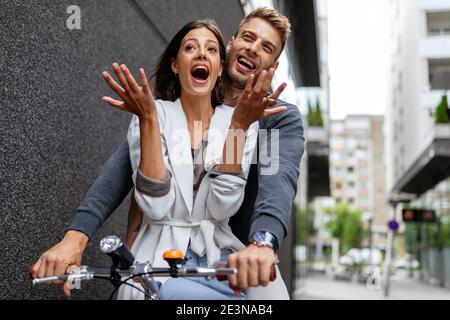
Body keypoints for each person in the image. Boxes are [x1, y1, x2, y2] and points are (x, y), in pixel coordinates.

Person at [31, 7, 304, 299]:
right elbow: (122, 170)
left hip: (236, 256)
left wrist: (263, 241)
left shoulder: (273, 118)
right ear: (231, 45)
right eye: (248, 38)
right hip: (166, 257)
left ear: (272, 66)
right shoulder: (168, 111)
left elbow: (278, 180)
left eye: (266, 48)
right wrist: (77, 235)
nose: (253, 48)